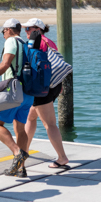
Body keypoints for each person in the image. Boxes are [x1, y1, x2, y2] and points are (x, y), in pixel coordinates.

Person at [0, 19, 35, 178]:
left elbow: (6, 63)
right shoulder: (26, 43)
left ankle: (17, 153)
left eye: (3, 32)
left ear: (9, 29)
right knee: (20, 129)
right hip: (27, 93)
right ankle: (21, 169)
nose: (3, 35)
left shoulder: (11, 41)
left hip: (13, 91)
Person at [22, 18, 70, 170]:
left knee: (49, 124)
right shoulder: (50, 42)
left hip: (41, 88)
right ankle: (23, 152)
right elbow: (55, 65)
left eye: (28, 28)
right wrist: (59, 85)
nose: (26, 32)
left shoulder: (36, 42)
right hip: (52, 85)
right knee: (30, 117)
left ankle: (62, 158)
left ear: (37, 28)